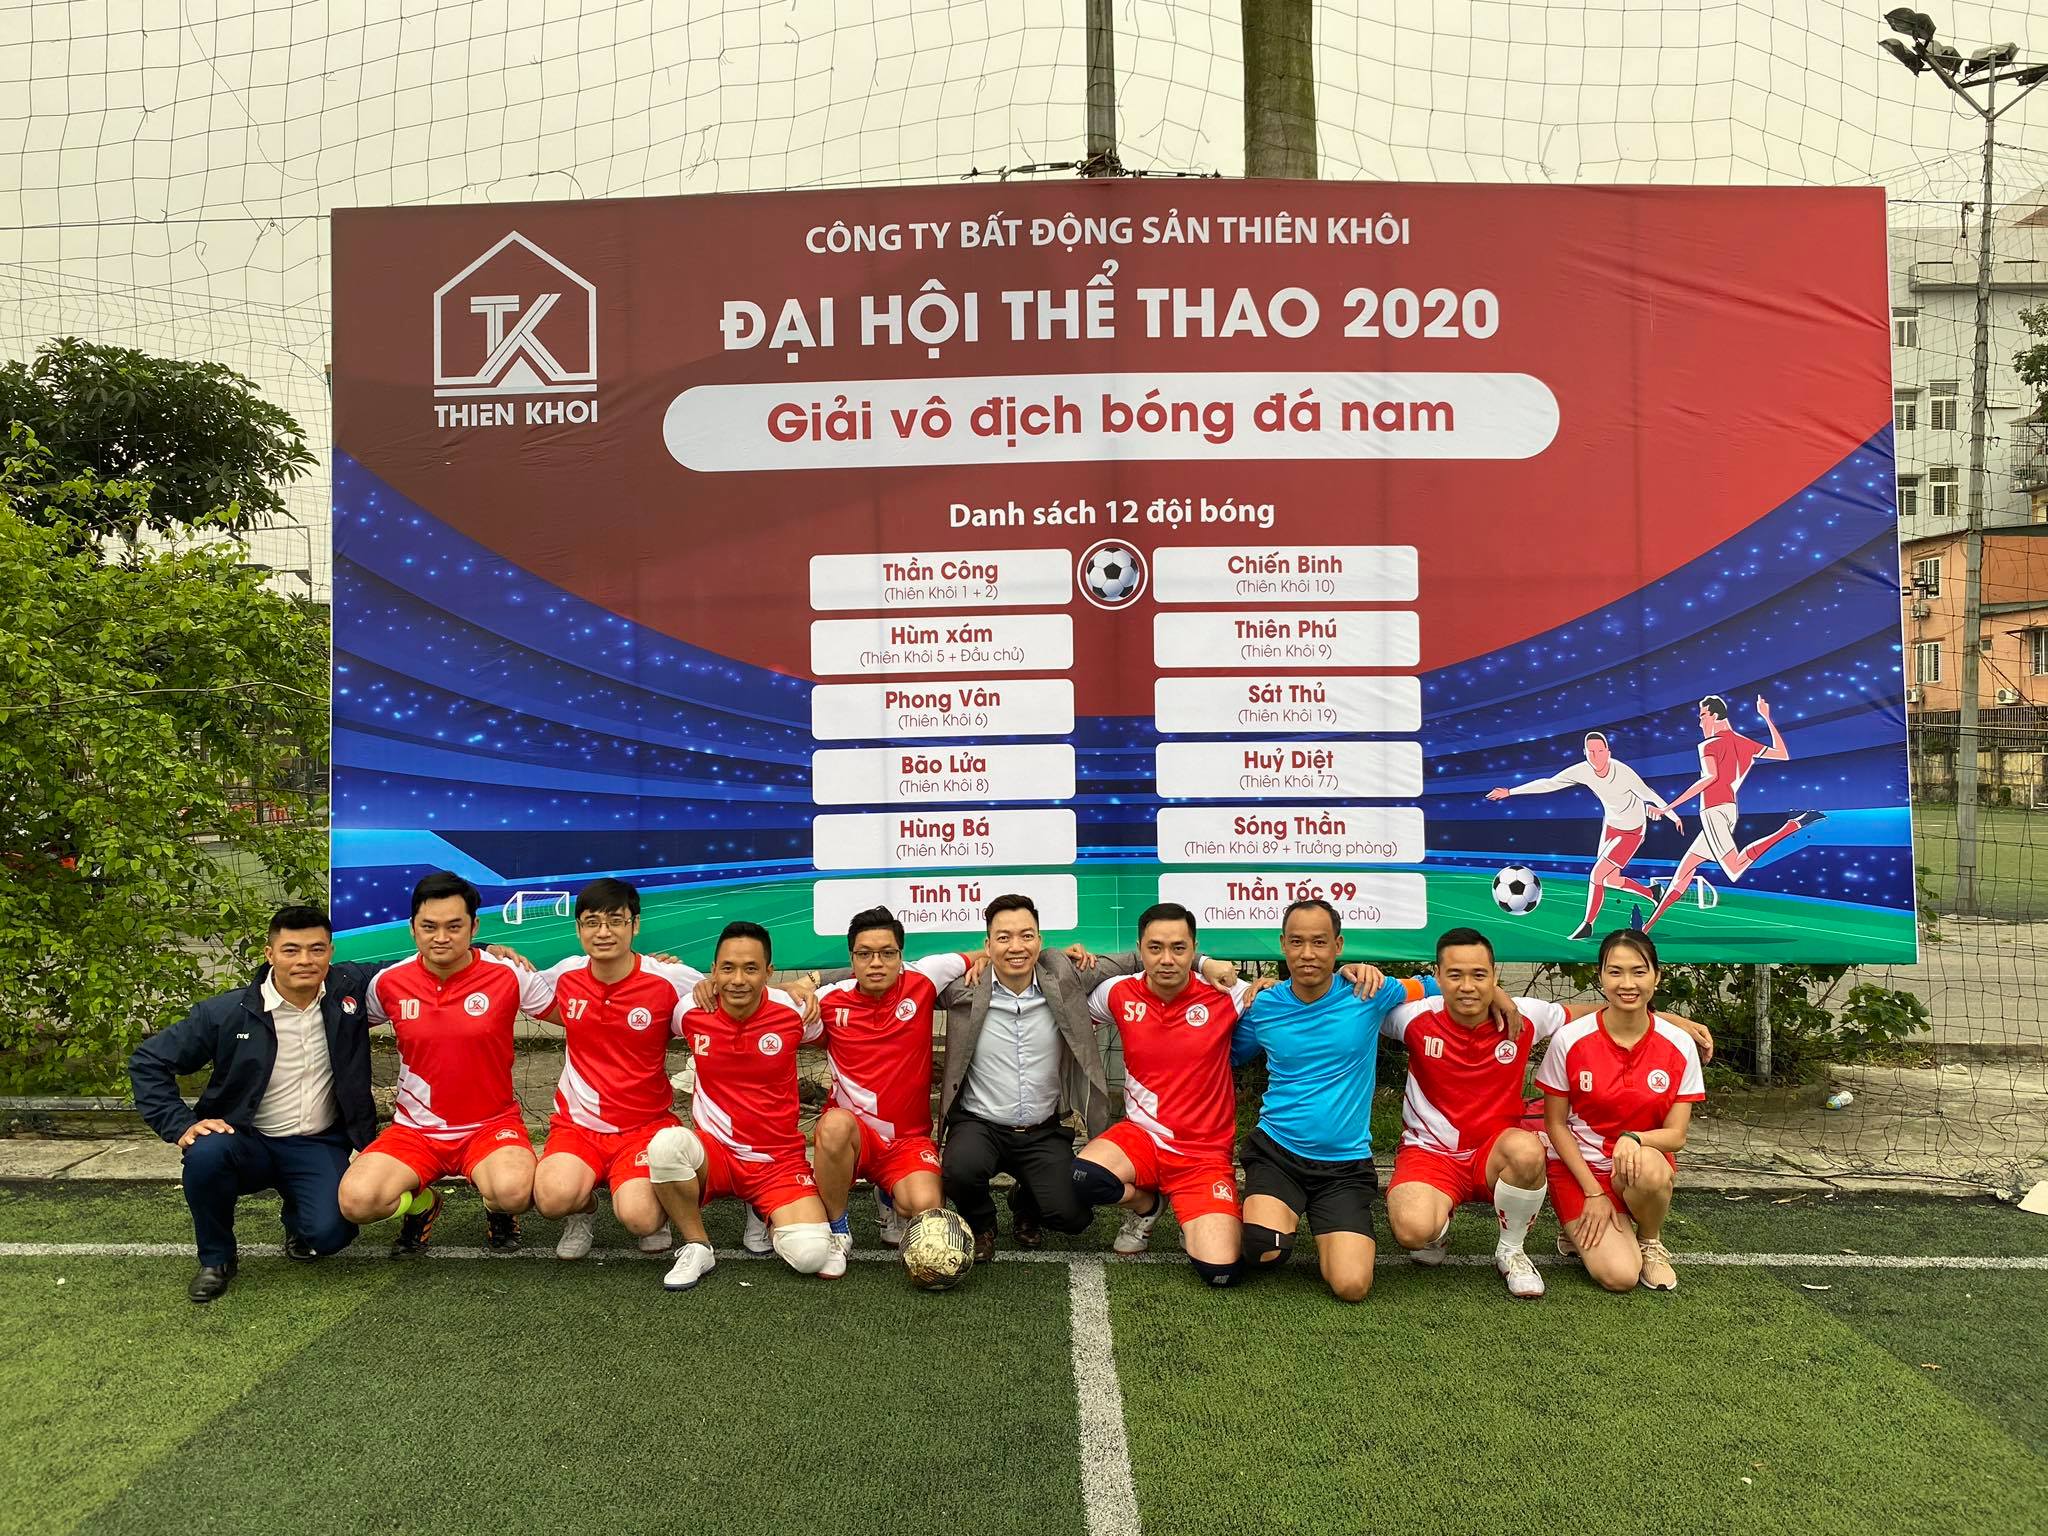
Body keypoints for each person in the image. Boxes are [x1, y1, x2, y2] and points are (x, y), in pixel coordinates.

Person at [1230, 899, 1516, 1303]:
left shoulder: (1369, 992)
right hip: (1278, 1153)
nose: (1308, 953)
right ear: (1282, 945)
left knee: (1352, 1286)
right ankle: (1250, 1216)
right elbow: (1224, 1054)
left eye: (1319, 942)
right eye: (1297, 942)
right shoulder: (1263, 1006)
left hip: (1344, 1167)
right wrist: (1247, 989)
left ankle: (1321, 1221)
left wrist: (1498, 994)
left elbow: (1436, 984)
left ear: (1338, 945)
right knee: (1264, 1250)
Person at [935, 894, 1235, 1262]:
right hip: (980, 1124)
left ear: (1040, 941)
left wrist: (1205, 962)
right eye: (1003, 938)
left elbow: (1143, 957)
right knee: (958, 1169)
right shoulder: (963, 986)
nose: (1016, 947)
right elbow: (905, 982)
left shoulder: (1064, 974)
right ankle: (982, 1225)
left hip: (1041, 1129)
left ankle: (1027, 1201)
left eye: (1026, 936)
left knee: (1073, 1216)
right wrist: (972, 960)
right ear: (987, 944)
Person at [130, 905, 376, 1303]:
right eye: (291, 950)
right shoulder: (226, 1012)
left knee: (331, 1236)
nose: (305, 960)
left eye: (316, 949)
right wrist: (178, 1124)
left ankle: (299, 1219)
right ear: (270, 953)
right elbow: (149, 1061)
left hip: (316, 1143)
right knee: (205, 1154)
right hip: (245, 1140)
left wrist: (480, 950)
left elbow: (422, 962)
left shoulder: (349, 989)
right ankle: (216, 1259)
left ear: (331, 952)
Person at [336, 871, 537, 1257]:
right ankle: (424, 1205)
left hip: (489, 1126)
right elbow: (343, 1026)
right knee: (357, 1202)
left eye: (454, 926)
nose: (441, 937)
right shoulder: (388, 983)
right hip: (415, 1131)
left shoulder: (508, 973)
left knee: (514, 1192)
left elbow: (577, 1008)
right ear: (413, 929)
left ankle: (498, 1209)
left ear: (474, 927)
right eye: (429, 926)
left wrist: (652, 968)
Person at [524, 878, 716, 1261]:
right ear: (578, 928)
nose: (604, 932)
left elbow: (725, 991)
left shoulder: (668, 977)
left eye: (615, 921)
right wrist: (489, 949)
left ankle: (656, 1210)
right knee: (551, 1199)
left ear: (635, 924)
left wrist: (799, 986)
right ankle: (583, 1212)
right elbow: (509, 979)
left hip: (643, 1127)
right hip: (578, 1127)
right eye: (592, 922)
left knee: (640, 1219)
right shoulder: (566, 974)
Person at [1070, 903, 1257, 1286]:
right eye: (1155, 948)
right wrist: (1073, 959)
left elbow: (1290, 1001)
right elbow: (1067, 1007)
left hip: (1202, 1155)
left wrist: (1268, 985)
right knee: (1081, 1177)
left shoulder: (1228, 993)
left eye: (1178, 948)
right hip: (1142, 1138)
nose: (1167, 959)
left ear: (1194, 949)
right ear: (1141, 948)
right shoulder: (1118, 992)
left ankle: (1197, 1216)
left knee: (1221, 1271)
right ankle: (1147, 1205)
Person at [644, 922, 835, 1291]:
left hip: (776, 1160)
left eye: (751, 969)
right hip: (717, 1154)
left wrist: (798, 989)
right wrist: (656, 964)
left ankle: (764, 1211)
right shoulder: (690, 1009)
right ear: (713, 971)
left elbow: (833, 1037)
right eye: (728, 968)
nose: (737, 980)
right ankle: (697, 1245)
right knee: (665, 1145)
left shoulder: (794, 1011)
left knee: (811, 1256)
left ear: (769, 972)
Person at [1536, 928, 1706, 1292]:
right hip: (1581, 1170)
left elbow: (1676, 1136)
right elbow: (1555, 1124)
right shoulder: (1570, 1039)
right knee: (1620, 1276)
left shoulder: (1679, 1044)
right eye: (1615, 972)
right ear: (1600, 976)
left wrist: (1635, 1138)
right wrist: (1592, 1192)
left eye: (1638, 972)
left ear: (1657, 977)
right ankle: (1582, 1228)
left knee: (1649, 1166)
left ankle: (1649, 1241)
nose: (1627, 984)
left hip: (1638, 1165)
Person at [806, 907, 968, 1255]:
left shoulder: (925, 978)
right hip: (854, 1138)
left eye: (887, 953)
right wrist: (803, 984)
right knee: (833, 1125)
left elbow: (982, 955)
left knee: (927, 1206)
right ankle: (837, 1230)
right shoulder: (829, 1000)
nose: (876, 963)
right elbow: (769, 1010)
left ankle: (889, 1193)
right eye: (865, 954)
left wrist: (982, 961)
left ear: (901, 956)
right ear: (852, 958)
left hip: (907, 1141)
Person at [1643, 694, 1821, 931]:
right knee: (1684, 871)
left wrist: (1667, 808)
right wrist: (1767, 718)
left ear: (1715, 715)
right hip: (1727, 809)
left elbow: (1710, 778)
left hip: (1713, 810)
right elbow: (1781, 753)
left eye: (1702, 716)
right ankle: (1647, 927)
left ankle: (1791, 826)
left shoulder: (1709, 745)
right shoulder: (1744, 742)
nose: (1700, 722)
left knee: (1735, 868)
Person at [1486, 732, 1680, 941]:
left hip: (1633, 830)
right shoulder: (1583, 770)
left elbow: (1649, 794)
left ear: (1608, 752)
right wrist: (1510, 792)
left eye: (1600, 751)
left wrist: (1672, 815)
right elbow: (1549, 783)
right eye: (1591, 752)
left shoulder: (1623, 772)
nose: (1596, 756)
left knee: (1597, 875)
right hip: (1611, 826)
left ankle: (1588, 925)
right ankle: (1652, 893)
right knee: (1610, 879)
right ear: (1585, 753)